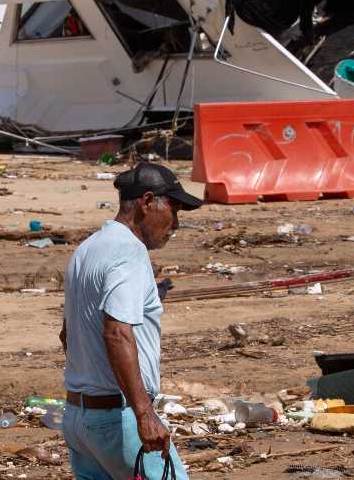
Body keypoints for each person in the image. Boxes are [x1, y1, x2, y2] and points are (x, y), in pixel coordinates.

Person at [61, 162, 203, 480]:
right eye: (174, 210)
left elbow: (69, 333)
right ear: (147, 201)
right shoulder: (129, 252)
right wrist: (144, 414)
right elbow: (116, 334)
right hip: (116, 420)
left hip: (78, 419)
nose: (176, 224)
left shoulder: (87, 250)